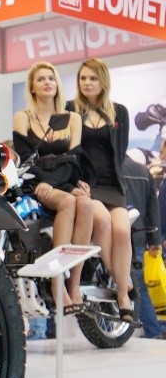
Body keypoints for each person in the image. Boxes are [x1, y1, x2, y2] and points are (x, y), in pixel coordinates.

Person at [11, 62, 93, 312]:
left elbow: (74, 159)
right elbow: (26, 159)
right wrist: (45, 181)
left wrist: (54, 181)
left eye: (51, 78)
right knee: (68, 201)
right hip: (35, 181)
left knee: (85, 203)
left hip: (62, 179)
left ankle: (74, 283)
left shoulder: (73, 118)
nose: (48, 82)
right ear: (32, 87)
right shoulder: (23, 117)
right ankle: (56, 280)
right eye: (41, 79)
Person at [67, 58, 136, 324]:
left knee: (123, 231)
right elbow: (70, 150)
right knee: (103, 221)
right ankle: (122, 288)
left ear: (103, 81)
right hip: (88, 184)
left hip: (113, 185)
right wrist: (75, 181)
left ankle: (121, 286)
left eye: (93, 78)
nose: (87, 83)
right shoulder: (71, 109)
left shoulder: (119, 112)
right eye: (83, 78)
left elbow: (121, 149)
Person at [123, 158, 163, 339]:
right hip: (139, 236)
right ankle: (152, 330)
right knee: (139, 285)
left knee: (127, 284)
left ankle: (152, 330)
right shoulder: (143, 171)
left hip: (116, 236)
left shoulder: (112, 168)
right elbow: (153, 208)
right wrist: (154, 239)